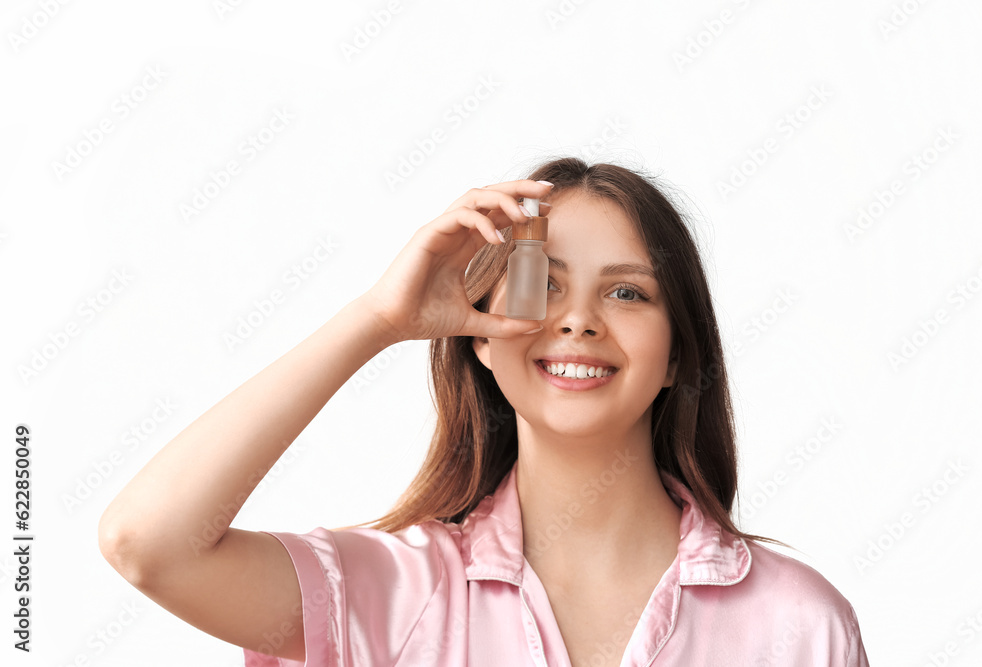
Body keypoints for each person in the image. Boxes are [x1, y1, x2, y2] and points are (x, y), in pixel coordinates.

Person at [98, 157, 870, 666]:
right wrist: (378, 319)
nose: (579, 320)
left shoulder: (799, 625)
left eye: (628, 291)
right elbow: (148, 543)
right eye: (545, 284)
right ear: (480, 338)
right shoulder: (397, 595)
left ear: (677, 354)